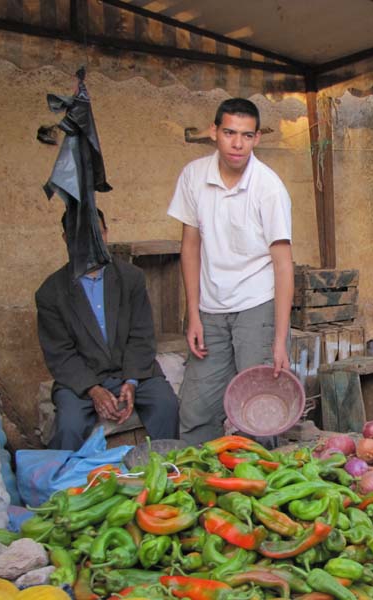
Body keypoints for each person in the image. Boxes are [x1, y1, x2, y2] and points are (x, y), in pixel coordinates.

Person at [168, 98, 293, 445]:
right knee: (196, 410)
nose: (238, 144)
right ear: (214, 132)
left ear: (257, 139)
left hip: (257, 306)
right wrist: (192, 314)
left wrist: (279, 339)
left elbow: (283, 265)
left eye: (247, 135)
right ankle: (201, 486)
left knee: (260, 412)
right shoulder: (194, 176)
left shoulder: (268, 188)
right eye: (229, 133)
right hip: (210, 309)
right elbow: (190, 247)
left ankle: (258, 490)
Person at [36, 209, 179, 450]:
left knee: (166, 404)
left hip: (133, 372)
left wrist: (132, 381)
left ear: (106, 233)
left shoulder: (131, 278)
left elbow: (141, 335)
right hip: (82, 380)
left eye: (97, 233)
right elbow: (60, 354)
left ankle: (167, 471)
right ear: (65, 239)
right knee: (69, 425)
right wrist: (93, 390)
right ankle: (70, 483)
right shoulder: (51, 292)